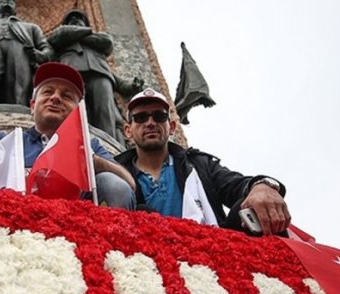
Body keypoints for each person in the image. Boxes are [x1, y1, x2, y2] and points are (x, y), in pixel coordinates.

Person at [0, 62, 135, 209]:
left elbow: (127, 184)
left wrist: (91, 160)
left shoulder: (90, 144)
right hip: (10, 223)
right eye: (47, 92)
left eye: (67, 96)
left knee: (111, 183)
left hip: (77, 224)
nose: (55, 98)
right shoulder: (4, 141)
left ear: (78, 111)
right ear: (32, 104)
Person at [114, 88, 291, 234]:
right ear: (128, 130)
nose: (150, 123)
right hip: (145, 254)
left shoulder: (199, 164)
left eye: (159, 116)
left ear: (172, 127)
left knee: (257, 207)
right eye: (140, 118)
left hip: (211, 248)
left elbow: (236, 185)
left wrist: (261, 186)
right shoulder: (116, 173)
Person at [48, 9, 143, 141]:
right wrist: (87, 34)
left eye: (79, 18)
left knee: (104, 111)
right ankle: (72, 141)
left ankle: (109, 145)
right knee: (74, 111)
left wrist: (131, 86)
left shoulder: (94, 42)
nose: (75, 19)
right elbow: (56, 37)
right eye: (72, 18)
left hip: (100, 74)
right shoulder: (64, 35)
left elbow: (107, 42)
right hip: (71, 73)